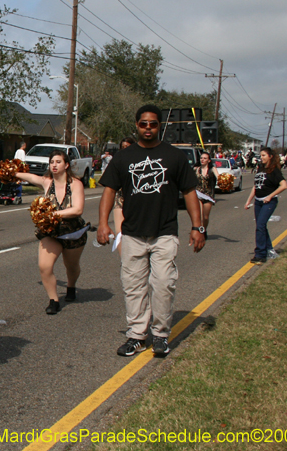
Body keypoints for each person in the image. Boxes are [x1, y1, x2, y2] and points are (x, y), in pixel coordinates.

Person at [97, 104, 204, 358]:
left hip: (165, 232)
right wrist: (103, 224)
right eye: (143, 124)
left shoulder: (175, 156)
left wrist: (198, 226)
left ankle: (160, 335)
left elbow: (190, 192)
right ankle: (136, 336)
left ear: (159, 126)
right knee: (133, 286)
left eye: (153, 124)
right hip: (132, 233)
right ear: (137, 125)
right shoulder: (122, 158)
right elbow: (109, 191)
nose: (148, 128)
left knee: (164, 284)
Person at [14, 150, 88, 314]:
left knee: (72, 266)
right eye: (52, 162)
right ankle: (53, 300)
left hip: (73, 233)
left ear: (66, 165)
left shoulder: (76, 184)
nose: (54, 165)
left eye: (58, 162)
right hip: (51, 233)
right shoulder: (47, 182)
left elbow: (78, 209)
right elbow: (29, 177)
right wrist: (11, 172)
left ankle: (71, 286)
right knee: (44, 266)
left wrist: (51, 214)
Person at [244, 147, 287, 264]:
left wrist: (270, 196)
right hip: (258, 201)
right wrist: (248, 201)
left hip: (269, 202)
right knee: (261, 226)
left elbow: (284, 185)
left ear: (270, 156)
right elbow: (255, 186)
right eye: (261, 155)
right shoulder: (261, 169)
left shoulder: (274, 170)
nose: (261, 157)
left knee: (260, 226)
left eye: (263, 155)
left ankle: (260, 254)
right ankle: (269, 249)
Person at [112, 137, 136, 250]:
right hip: (121, 199)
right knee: (120, 233)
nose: (125, 149)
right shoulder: (117, 161)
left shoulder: (139, 161)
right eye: (123, 147)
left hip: (136, 199)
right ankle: (124, 261)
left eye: (128, 147)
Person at [195, 152, 218, 238]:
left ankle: (204, 229)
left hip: (208, 195)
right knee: (200, 216)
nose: (202, 160)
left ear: (209, 160)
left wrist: (223, 180)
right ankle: (200, 231)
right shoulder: (196, 169)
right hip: (198, 193)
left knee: (205, 217)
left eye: (205, 158)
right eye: (201, 158)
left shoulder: (212, 169)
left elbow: (218, 177)